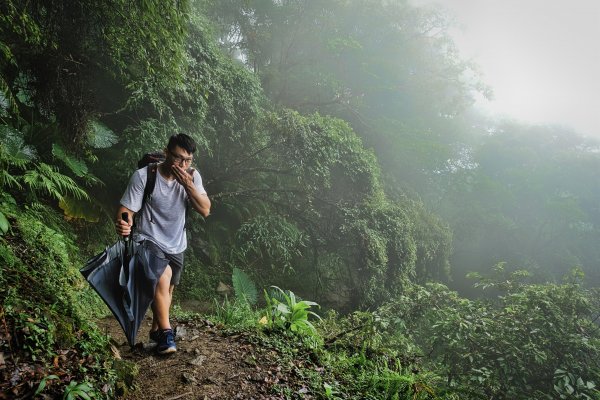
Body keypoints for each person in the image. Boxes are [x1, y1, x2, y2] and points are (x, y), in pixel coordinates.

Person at [115, 134, 211, 354]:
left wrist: (188, 184)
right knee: (162, 276)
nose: (182, 164)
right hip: (148, 237)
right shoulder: (144, 176)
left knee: (168, 289)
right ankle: (167, 335)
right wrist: (123, 223)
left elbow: (205, 209)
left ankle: (157, 331)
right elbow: (126, 209)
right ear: (166, 153)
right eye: (177, 158)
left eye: (187, 160)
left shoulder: (193, 177)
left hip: (177, 242)